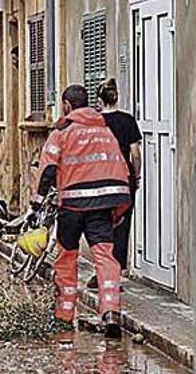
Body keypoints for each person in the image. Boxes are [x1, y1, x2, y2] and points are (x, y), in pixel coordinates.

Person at [33, 84, 131, 337]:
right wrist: (119, 210)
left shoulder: (63, 131)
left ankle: (64, 315)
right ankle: (110, 311)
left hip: (73, 205)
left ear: (66, 105)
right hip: (103, 204)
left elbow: (48, 169)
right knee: (105, 256)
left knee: (66, 256)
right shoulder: (104, 130)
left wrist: (37, 201)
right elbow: (121, 169)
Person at [85, 78, 143, 289]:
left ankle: (100, 273)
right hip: (123, 180)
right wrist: (136, 176)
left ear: (100, 100)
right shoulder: (128, 121)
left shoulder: (94, 122)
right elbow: (135, 153)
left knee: (100, 226)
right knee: (121, 227)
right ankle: (114, 276)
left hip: (99, 179)